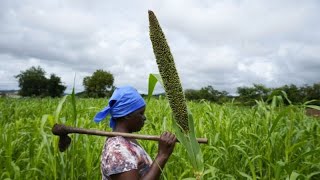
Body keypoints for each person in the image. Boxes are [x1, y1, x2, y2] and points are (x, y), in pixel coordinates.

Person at [94, 85, 176, 180]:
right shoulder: (118, 150)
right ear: (127, 116)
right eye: (140, 113)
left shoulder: (127, 139)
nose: (144, 118)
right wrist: (162, 155)